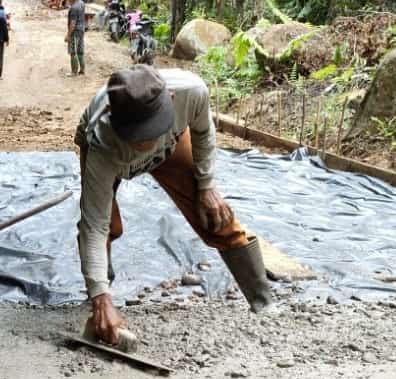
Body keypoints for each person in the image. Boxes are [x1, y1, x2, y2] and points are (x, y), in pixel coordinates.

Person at [75, 65, 274, 345]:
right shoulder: (103, 141)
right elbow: (94, 225)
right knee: (108, 226)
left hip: (172, 148)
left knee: (214, 214)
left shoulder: (191, 93)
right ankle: (100, 304)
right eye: (137, 135)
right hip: (113, 157)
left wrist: (206, 185)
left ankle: (264, 303)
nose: (145, 144)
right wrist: (100, 297)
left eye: (151, 131)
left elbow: (204, 133)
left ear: (169, 100)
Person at [65, 0, 86, 76]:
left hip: (75, 32)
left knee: (73, 52)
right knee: (80, 51)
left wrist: (68, 35)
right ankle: (82, 70)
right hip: (81, 30)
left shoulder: (74, 8)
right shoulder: (81, 3)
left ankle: (74, 72)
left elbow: (73, 23)